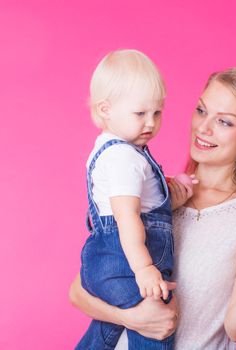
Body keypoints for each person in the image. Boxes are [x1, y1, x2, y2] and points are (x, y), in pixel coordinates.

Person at [70, 67, 236, 349]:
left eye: (224, 122)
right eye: (201, 110)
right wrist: (133, 319)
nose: (204, 127)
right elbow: (79, 291)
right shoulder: (159, 196)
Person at [76, 49, 194, 349]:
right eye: (140, 113)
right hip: (125, 264)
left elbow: (144, 205)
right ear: (106, 109)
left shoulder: (116, 150)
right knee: (156, 324)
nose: (151, 123)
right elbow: (127, 216)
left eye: (157, 113)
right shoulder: (123, 158)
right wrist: (144, 268)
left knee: (113, 329)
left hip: (109, 262)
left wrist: (172, 194)